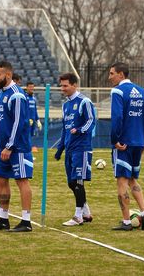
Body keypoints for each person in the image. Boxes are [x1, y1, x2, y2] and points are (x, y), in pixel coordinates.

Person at [0, 61, 33, 232]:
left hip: (18, 148)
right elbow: (3, 124)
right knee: (1, 180)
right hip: (4, 147)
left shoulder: (16, 95)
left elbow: (19, 123)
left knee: (21, 180)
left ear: (8, 75)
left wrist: (10, 146)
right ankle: (3, 219)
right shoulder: (1, 95)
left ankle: (26, 222)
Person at [108, 62, 144, 231]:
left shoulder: (118, 91)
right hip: (138, 142)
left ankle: (126, 221)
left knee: (121, 182)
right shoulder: (142, 91)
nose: (109, 76)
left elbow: (117, 118)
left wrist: (115, 139)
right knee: (132, 179)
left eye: (112, 73)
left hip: (123, 144)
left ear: (121, 74)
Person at [54, 72, 96, 226]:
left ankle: (78, 216)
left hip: (82, 148)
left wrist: (79, 130)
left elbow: (91, 121)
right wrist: (60, 149)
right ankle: (86, 213)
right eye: (61, 85)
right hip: (70, 149)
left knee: (78, 182)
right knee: (71, 183)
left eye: (65, 86)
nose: (62, 89)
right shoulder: (66, 105)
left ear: (74, 85)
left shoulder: (84, 101)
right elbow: (65, 129)